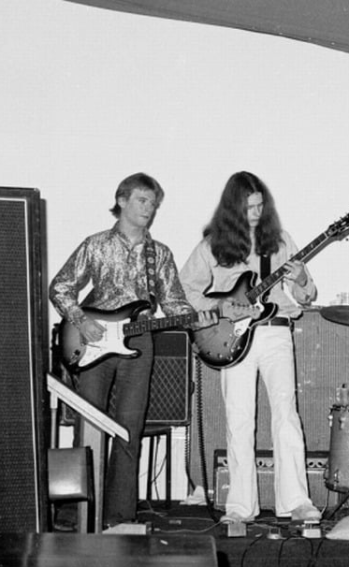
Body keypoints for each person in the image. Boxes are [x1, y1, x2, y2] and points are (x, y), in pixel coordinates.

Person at [50, 172, 217, 529]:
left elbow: (173, 303)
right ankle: (79, 512)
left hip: (139, 342)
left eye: (154, 203)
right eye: (143, 201)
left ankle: (119, 516)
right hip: (91, 341)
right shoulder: (95, 244)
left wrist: (199, 319)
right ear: (122, 200)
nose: (149, 209)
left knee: (129, 428)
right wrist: (80, 319)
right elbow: (61, 287)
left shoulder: (160, 253)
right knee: (89, 426)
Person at [179, 171, 321, 525]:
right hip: (232, 337)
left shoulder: (280, 240)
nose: (256, 213)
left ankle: (296, 502)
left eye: (260, 206)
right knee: (239, 420)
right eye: (248, 207)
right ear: (232, 209)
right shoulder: (214, 245)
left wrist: (302, 279)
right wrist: (219, 309)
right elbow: (184, 291)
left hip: (275, 332)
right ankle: (240, 507)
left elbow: (306, 295)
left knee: (286, 416)